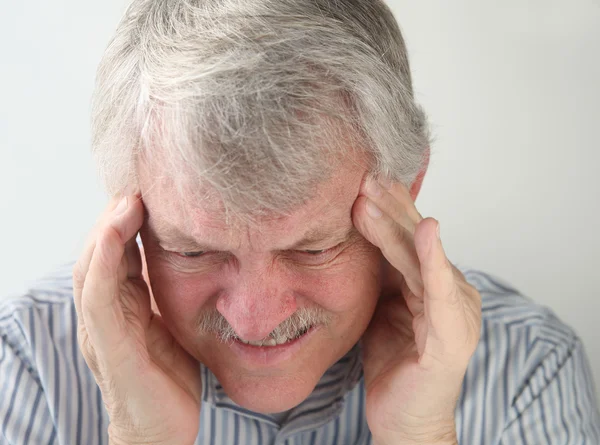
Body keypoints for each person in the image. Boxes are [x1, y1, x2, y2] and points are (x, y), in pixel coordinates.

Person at [1, 0, 599, 444]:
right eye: (192, 252)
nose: (255, 319)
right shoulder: (24, 365)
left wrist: (422, 434)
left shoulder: (529, 370)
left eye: (311, 249)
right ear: (126, 206)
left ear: (405, 189)